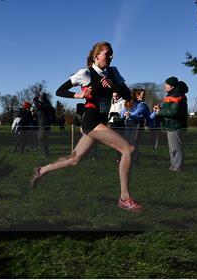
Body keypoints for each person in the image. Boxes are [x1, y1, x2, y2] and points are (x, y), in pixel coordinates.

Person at [30, 41, 142, 212]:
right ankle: (124, 198)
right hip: (91, 122)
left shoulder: (113, 72)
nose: (110, 56)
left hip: (101, 122)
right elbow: (60, 91)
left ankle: (41, 170)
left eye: (111, 53)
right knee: (128, 149)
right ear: (96, 56)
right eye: (107, 53)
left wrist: (113, 86)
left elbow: (128, 95)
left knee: (74, 160)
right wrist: (80, 94)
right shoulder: (86, 73)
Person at [152, 77, 188, 172]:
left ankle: (177, 168)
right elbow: (167, 107)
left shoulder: (178, 96)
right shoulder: (171, 95)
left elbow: (173, 111)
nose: (164, 86)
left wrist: (159, 112)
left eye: (166, 84)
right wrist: (159, 107)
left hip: (175, 126)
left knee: (176, 148)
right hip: (170, 126)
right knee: (172, 148)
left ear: (171, 86)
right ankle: (174, 166)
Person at [121, 89, 152, 167]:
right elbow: (121, 115)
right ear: (136, 95)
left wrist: (155, 113)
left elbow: (148, 117)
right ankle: (131, 162)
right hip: (128, 124)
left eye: (144, 95)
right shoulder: (129, 103)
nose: (144, 96)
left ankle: (136, 163)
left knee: (134, 143)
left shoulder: (143, 105)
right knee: (128, 143)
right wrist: (124, 114)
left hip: (137, 124)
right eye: (142, 94)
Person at [33, 93, 54, 158]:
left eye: (40, 98)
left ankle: (45, 154)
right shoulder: (45, 104)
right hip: (42, 124)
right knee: (43, 139)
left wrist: (35, 100)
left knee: (41, 139)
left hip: (44, 125)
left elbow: (38, 107)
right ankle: (46, 154)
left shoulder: (47, 105)